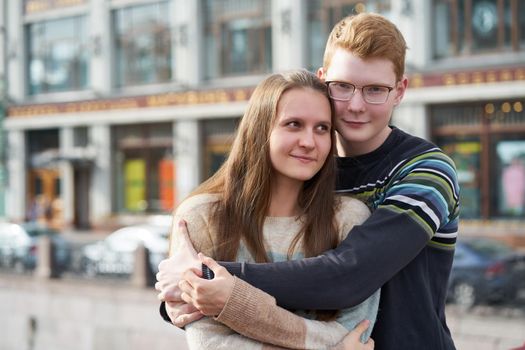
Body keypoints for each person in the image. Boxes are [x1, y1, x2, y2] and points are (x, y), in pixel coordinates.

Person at [157, 12, 460, 350]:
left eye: (375, 89)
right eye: (343, 87)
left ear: (400, 91)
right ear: (323, 80)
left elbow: (349, 275)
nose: (356, 105)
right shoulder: (307, 168)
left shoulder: (427, 171)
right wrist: (188, 294)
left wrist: (204, 276)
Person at [158, 69, 378, 349]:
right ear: (260, 129)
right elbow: (210, 344)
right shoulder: (202, 217)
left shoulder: (348, 218)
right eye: (294, 124)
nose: (309, 142)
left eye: (322, 128)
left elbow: (355, 332)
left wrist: (233, 303)